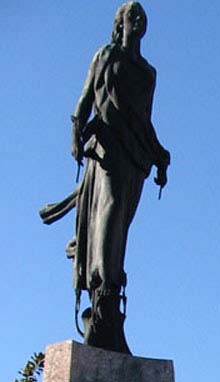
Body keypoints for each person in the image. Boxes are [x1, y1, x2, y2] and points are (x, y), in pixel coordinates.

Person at [40, 3, 170, 353]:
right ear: (120, 23)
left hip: (135, 153)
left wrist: (160, 155)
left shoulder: (147, 72)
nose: (138, 20)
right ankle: (101, 296)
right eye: (132, 15)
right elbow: (84, 101)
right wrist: (74, 133)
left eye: (143, 16)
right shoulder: (106, 55)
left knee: (121, 227)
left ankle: (111, 302)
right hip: (107, 144)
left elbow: (144, 119)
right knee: (108, 212)